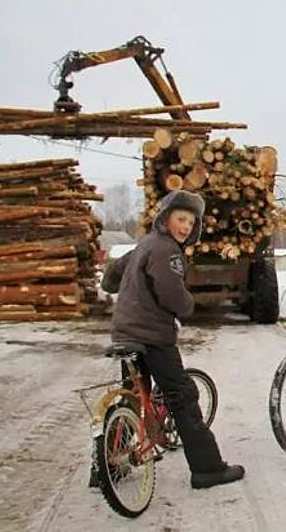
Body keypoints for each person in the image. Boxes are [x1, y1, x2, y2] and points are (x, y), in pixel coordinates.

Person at [101, 190, 246, 488]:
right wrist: (189, 306)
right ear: (165, 219)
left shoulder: (144, 245)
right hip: (152, 336)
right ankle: (208, 469)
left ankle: (108, 465)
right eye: (181, 219)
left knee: (133, 395)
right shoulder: (167, 250)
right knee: (183, 396)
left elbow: (110, 278)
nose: (185, 227)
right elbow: (172, 294)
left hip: (125, 333)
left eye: (191, 223)